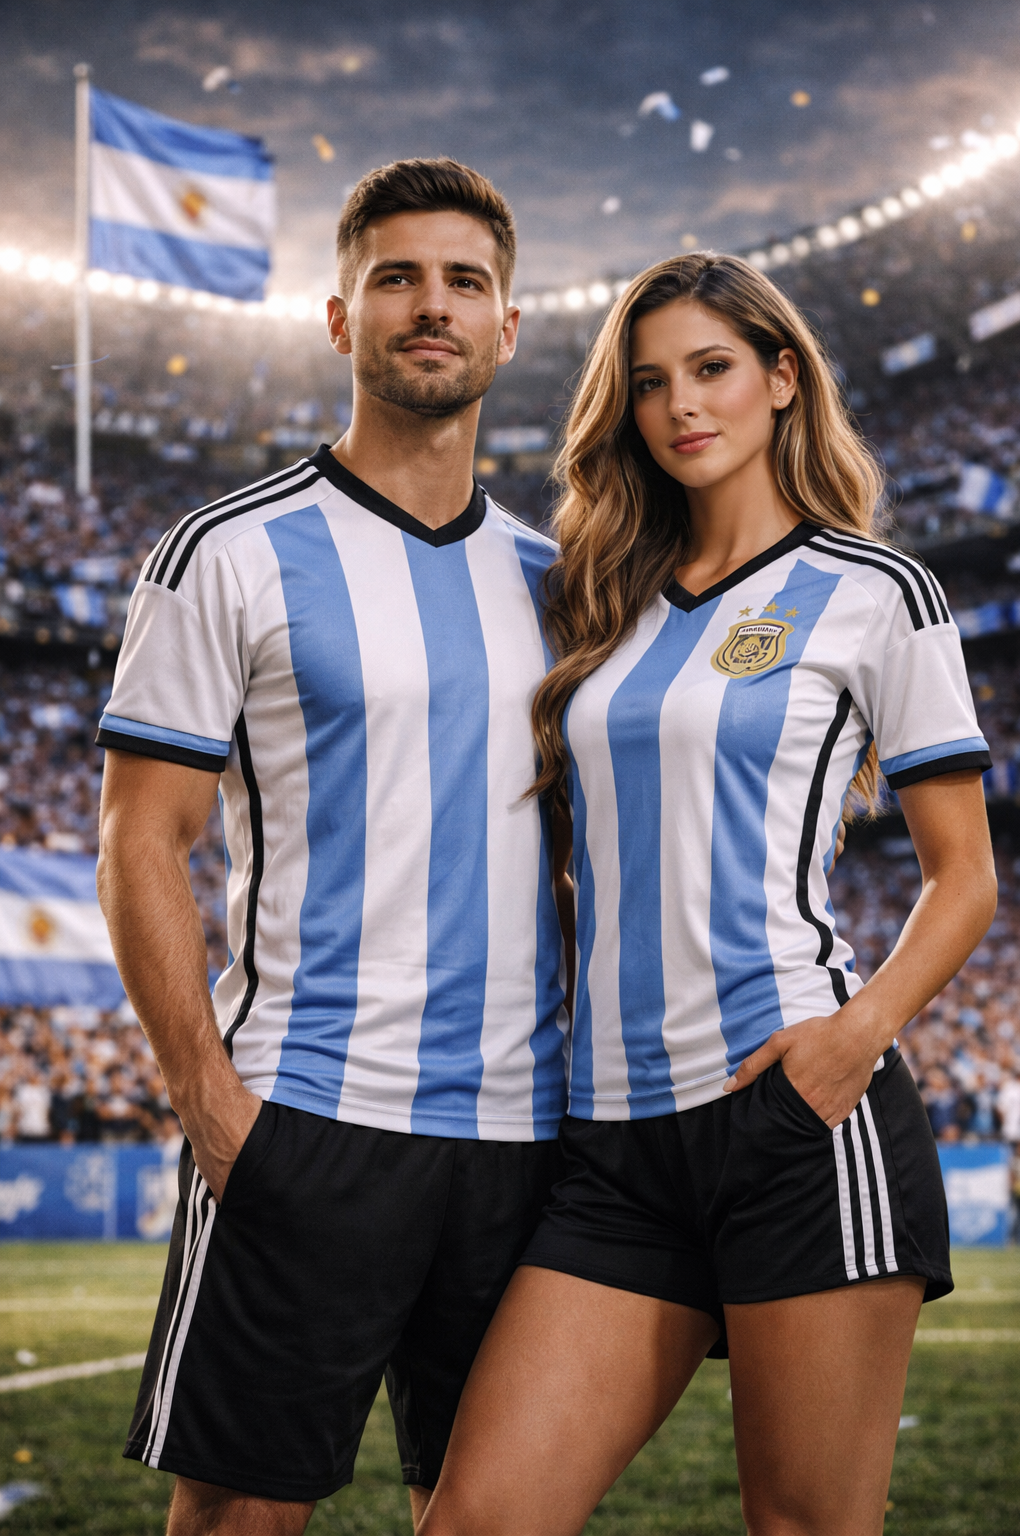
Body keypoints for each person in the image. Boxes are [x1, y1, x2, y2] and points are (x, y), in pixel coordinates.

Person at [419, 254, 998, 1536]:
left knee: (802, 1525)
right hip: (609, 1145)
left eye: (712, 368)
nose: (681, 404)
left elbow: (965, 879)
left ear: (782, 379)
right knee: (477, 1519)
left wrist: (852, 1042)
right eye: (648, 383)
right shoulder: (602, 602)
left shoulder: (871, 593)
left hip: (790, 1116)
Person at [96, 158, 571, 1536]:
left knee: (493, 1512)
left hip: (523, 1138)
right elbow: (142, 839)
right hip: (306, 1117)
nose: (433, 307)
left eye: (465, 281)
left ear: (508, 327)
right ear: (338, 316)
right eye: (397, 278)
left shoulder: (563, 578)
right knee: (244, 1515)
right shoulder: (226, 552)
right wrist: (209, 1100)